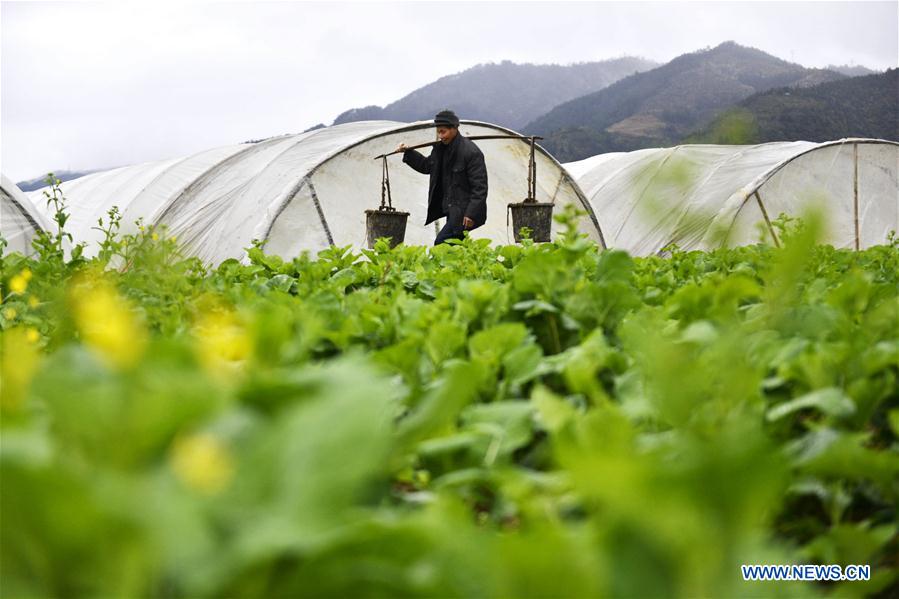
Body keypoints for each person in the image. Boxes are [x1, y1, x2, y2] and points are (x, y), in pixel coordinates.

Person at [396, 110, 488, 245]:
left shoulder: (471, 152)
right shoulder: (439, 149)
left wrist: (471, 214)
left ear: (454, 129)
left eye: (443, 132)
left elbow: (480, 187)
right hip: (450, 209)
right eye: (438, 132)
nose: (440, 136)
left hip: (463, 212)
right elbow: (427, 166)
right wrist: (409, 153)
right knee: (454, 247)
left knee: (441, 244)